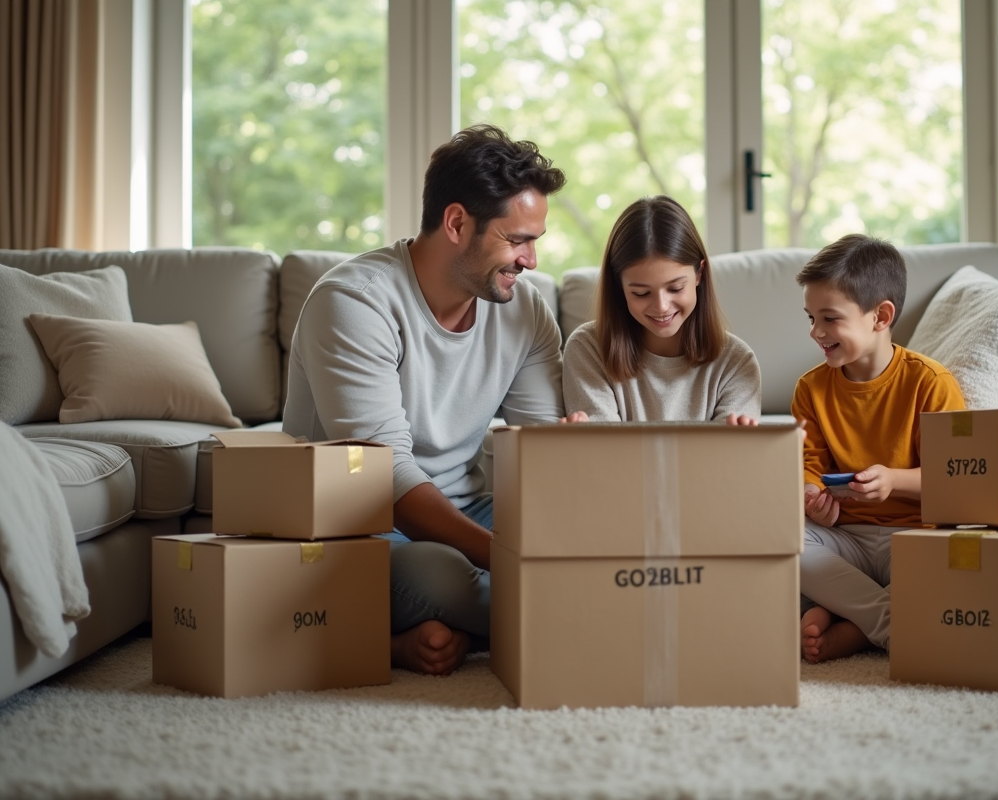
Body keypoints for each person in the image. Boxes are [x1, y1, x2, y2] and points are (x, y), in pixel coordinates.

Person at [283, 125, 567, 676]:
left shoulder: (524, 310)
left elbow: (541, 454)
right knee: (436, 574)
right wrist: (515, 559)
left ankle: (432, 625)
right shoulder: (354, 302)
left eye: (536, 239)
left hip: (467, 509)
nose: (530, 260)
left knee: (581, 531)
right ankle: (594, 612)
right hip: (357, 525)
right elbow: (383, 482)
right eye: (517, 240)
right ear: (457, 223)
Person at [791, 233, 964, 663]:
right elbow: (807, 465)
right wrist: (811, 495)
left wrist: (894, 481)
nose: (816, 331)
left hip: (915, 536)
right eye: (811, 317)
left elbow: (957, 480)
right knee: (785, 542)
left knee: (959, 567)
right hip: (843, 537)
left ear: (880, 316)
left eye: (830, 319)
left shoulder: (930, 382)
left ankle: (846, 626)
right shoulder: (810, 389)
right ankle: (890, 623)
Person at [562, 196, 760, 425]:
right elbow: (605, 452)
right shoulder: (588, 349)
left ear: (699, 274)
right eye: (641, 293)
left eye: (675, 288)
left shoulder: (736, 362)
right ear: (619, 286)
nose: (661, 306)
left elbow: (724, 456)